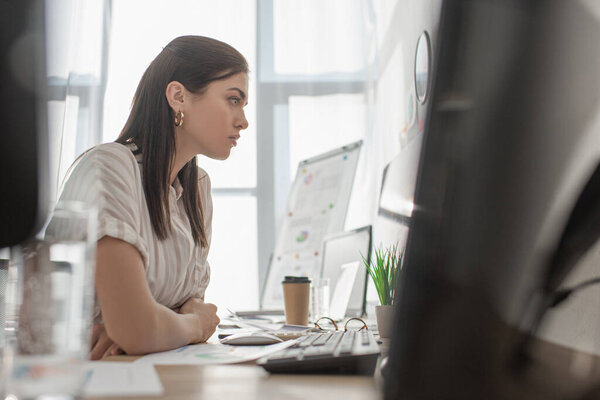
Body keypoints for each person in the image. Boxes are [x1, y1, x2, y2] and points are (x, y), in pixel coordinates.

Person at [50, 36, 249, 359]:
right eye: (233, 100)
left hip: (145, 371)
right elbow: (140, 330)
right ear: (178, 96)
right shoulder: (110, 167)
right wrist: (192, 326)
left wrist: (160, 326)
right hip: (85, 378)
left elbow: (183, 309)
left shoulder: (197, 188)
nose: (243, 120)